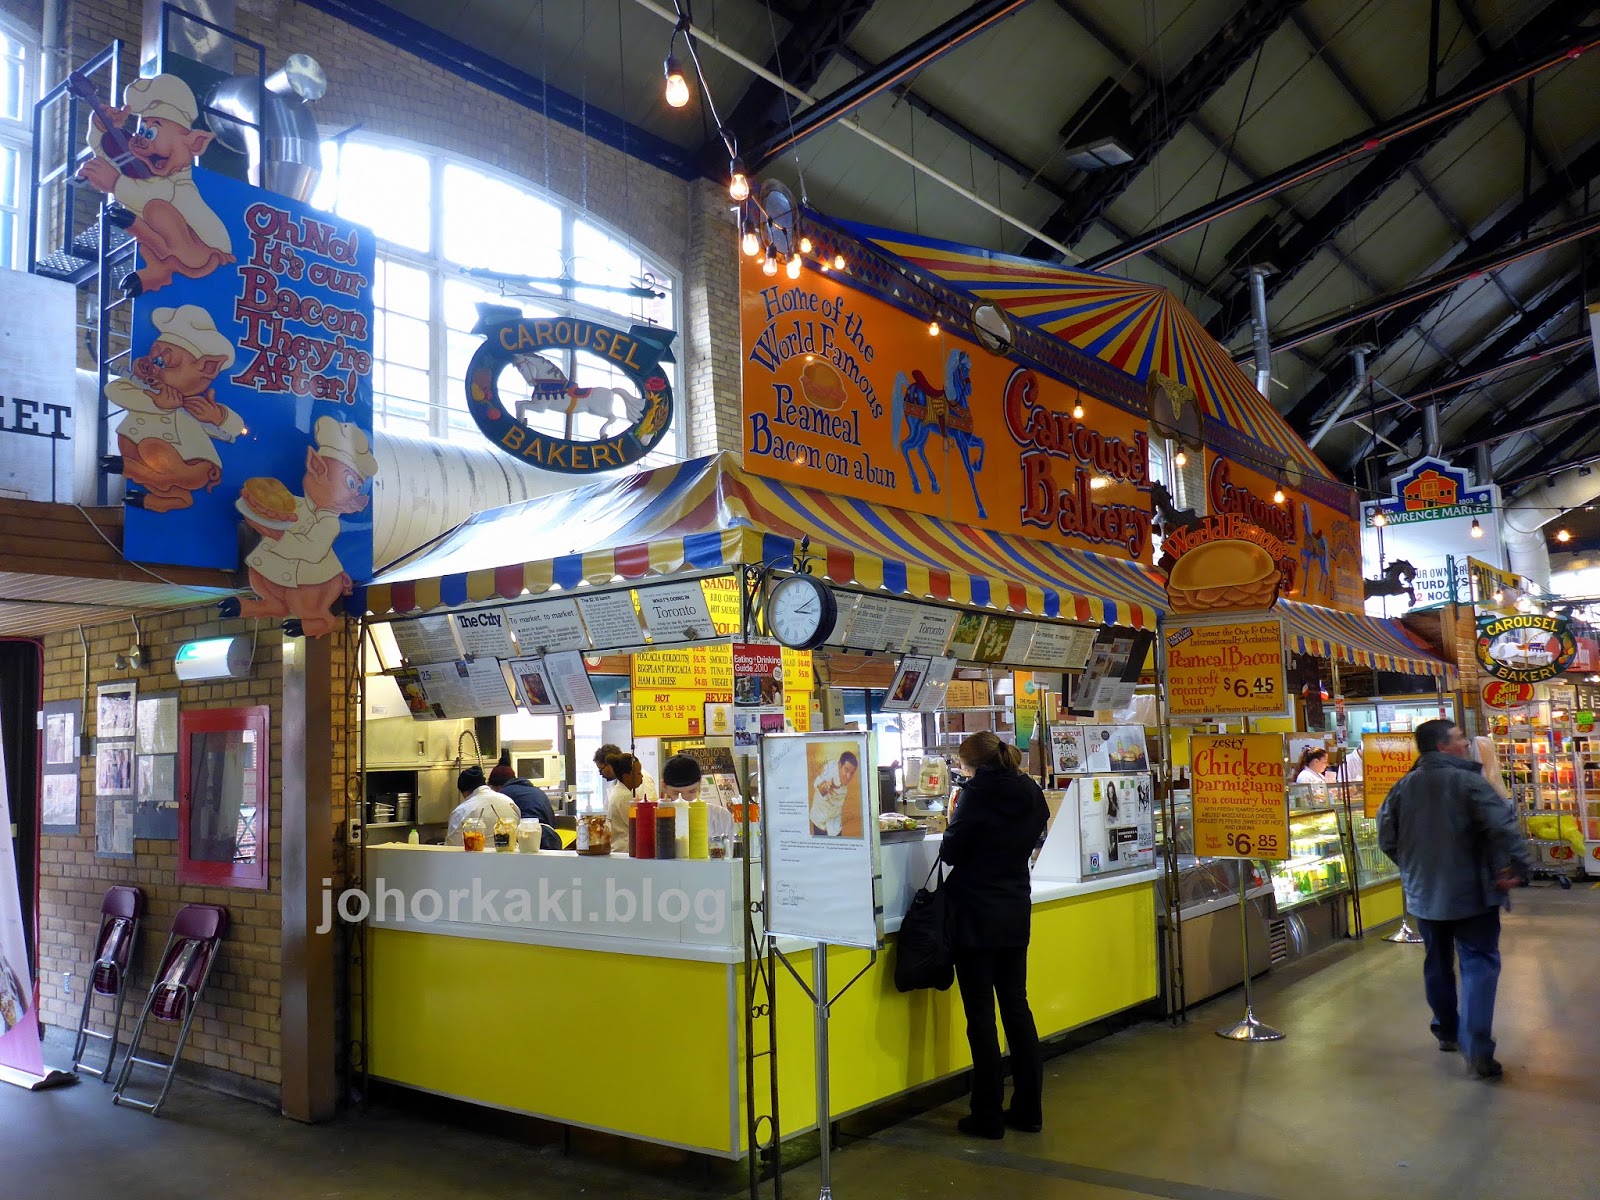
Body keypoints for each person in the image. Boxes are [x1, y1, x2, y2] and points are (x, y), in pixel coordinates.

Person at [1378, 718, 1532, 1079]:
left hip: (1424, 895)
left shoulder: (1402, 787)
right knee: (1479, 963)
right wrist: (1521, 867)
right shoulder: (1468, 781)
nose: (1467, 745)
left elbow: (1386, 837)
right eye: (1461, 739)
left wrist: (1414, 869)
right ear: (1443, 746)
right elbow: (1503, 825)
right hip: (1473, 893)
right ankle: (1477, 1047)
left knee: (1437, 962)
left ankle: (1447, 1031)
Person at [940, 731, 1050, 1139]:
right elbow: (1038, 829)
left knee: (981, 1017)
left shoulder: (976, 793)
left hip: (975, 915)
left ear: (971, 764)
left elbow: (951, 851)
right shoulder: (1029, 789)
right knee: (1017, 1009)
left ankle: (987, 1115)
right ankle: (1029, 1109)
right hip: (1015, 908)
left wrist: (955, 821)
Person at [489, 757, 561, 850]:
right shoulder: (537, 791)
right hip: (552, 839)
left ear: (497, 786)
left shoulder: (503, 795)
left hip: (529, 839)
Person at [659, 755, 735, 842]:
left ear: (700, 785)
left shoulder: (720, 816)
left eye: (692, 791)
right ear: (664, 787)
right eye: (677, 793)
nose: (685, 799)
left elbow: (731, 853)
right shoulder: (656, 819)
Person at [445, 765, 520, 847]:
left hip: (477, 859)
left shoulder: (462, 811)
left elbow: (452, 847)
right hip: (511, 857)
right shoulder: (508, 801)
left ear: (464, 792)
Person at [604, 752, 657, 855]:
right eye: (638, 773)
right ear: (627, 777)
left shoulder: (620, 792)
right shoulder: (624, 797)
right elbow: (639, 825)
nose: (642, 776)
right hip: (624, 849)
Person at [809, 750, 860, 836]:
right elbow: (818, 785)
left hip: (834, 823)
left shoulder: (838, 767)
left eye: (851, 773)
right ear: (840, 765)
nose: (848, 776)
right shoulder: (829, 773)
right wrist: (826, 786)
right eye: (846, 770)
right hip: (820, 822)